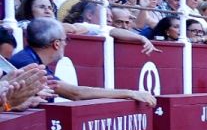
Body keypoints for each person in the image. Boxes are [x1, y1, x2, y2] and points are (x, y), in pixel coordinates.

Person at [7, 18, 154, 107]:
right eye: (66, 40)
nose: (66, 44)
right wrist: (129, 93)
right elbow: (75, 93)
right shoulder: (27, 63)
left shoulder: (29, 58)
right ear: (57, 44)